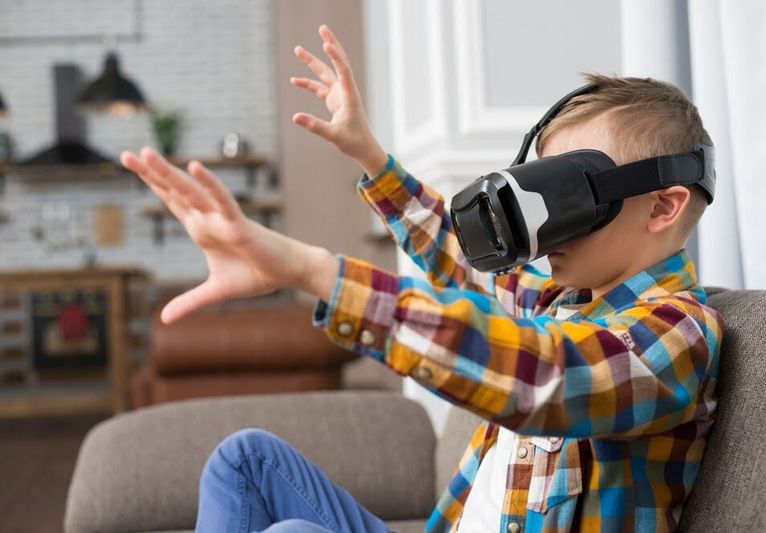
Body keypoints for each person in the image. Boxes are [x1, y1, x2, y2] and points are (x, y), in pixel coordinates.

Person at [121, 23, 722, 533]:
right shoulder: (552, 301)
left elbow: (543, 376)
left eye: (572, 202)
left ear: (662, 207)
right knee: (244, 460)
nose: (546, 234)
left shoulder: (675, 336)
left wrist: (310, 270)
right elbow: (456, 259)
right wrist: (372, 159)